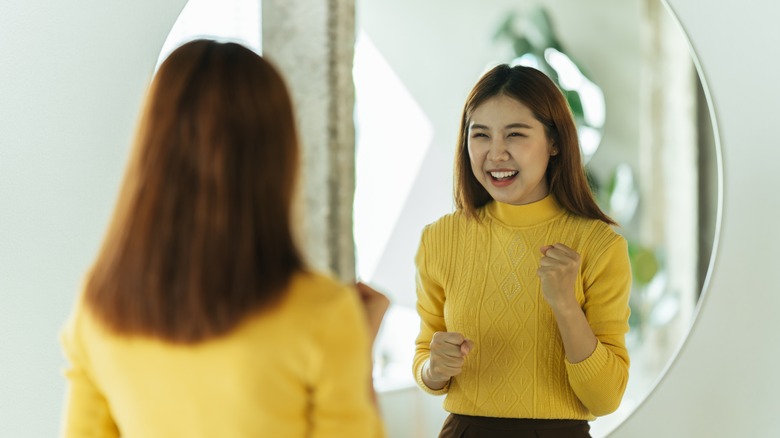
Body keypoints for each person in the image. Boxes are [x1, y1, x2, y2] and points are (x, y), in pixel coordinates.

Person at [59, 39, 388, 438]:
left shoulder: (100, 308)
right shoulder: (324, 315)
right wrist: (355, 354)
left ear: (151, 151)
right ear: (281, 159)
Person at [412, 64, 631, 438]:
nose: (496, 153)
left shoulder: (599, 246)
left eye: (515, 134)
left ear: (555, 142)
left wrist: (565, 305)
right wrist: (434, 368)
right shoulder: (440, 239)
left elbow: (605, 399)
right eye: (480, 135)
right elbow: (425, 357)